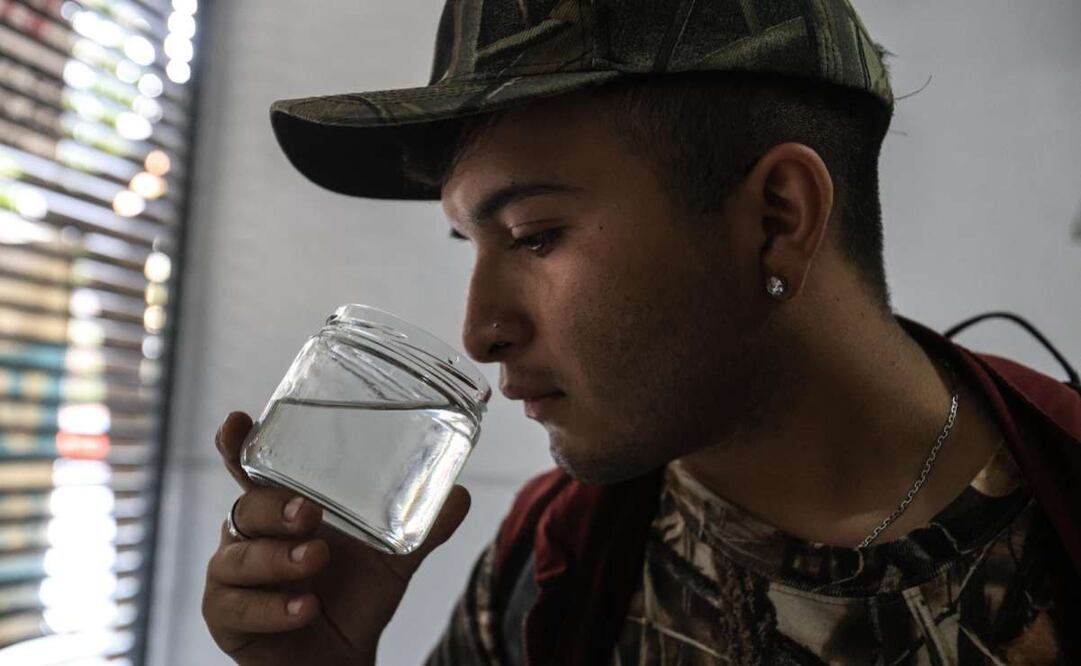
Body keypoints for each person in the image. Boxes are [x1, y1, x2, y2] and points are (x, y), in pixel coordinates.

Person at [201, 1, 1081, 664]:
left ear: (777, 217)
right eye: (470, 246)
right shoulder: (551, 569)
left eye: (536, 235)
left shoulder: (1057, 506)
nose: (479, 332)